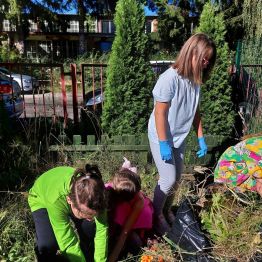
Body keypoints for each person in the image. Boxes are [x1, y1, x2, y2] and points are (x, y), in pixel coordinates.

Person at [148, 33, 217, 235]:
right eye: (204, 58)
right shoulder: (169, 79)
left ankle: (167, 209)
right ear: (191, 53)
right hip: (161, 135)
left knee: (177, 179)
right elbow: (160, 112)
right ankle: (155, 216)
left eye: (209, 60)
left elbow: (195, 110)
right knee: (168, 179)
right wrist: (163, 143)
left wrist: (201, 136)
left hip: (178, 136)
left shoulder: (194, 81)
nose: (206, 63)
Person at [28, 164, 108, 262]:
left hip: (73, 199)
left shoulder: (98, 195)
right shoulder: (56, 200)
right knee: (48, 245)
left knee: (90, 229)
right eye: (86, 214)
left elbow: (102, 230)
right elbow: (66, 239)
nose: (92, 218)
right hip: (41, 198)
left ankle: (87, 252)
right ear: (69, 200)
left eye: (93, 215)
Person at [106, 157, 154, 262]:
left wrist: (113, 257)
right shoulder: (110, 188)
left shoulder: (139, 202)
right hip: (117, 213)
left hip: (134, 221)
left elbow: (125, 232)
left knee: (135, 242)